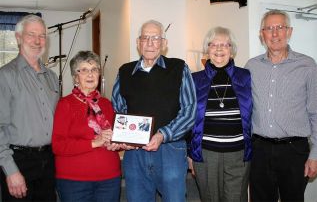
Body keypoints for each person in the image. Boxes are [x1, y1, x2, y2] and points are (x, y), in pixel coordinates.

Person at [111, 19, 197, 202]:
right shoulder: (124, 72)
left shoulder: (179, 68)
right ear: (138, 42)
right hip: (135, 154)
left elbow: (189, 112)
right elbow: (118, 110)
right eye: (145, 38)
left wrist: (162, 135)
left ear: (164, 43)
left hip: (170, 151)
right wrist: (124, 137)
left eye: (155, 38)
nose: (150, 43)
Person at [245, 9, 317, 202]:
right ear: (262, 34)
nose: (275, 33)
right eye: (269, 28)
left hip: (294, 152)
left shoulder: (308, 65)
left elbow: (315, 112)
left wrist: (315, 154)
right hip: (259, 150)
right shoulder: (251, 66)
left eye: (280, 27)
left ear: (289, 31)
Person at [188, 27, 252, 202]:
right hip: (206, 154)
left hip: (238, 154)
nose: (218, 49)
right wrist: (189, 154)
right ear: (207, 49)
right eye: (213, 44)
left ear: (232, 50)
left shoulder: (246, 76)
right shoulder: (194, 79)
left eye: (225, 44)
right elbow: (187, 118)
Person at [0, 14, 59, 201]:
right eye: (31, 34)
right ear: (18, 38)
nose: (37, 41)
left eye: (42, 36)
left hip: (49, 161)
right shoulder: (5, 76)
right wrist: (11, 170)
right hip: (19, 161)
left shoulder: (52, 77)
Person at [52, 51, 122, 202]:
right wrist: (94, 142)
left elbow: (113, 136)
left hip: (109, 179)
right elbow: (58, 145)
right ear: (75, 77)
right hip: (74, 182)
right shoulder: (65, 104)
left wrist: (117, 143)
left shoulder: (106, 104)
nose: (90, 74)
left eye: (94, 70)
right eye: (84, 70)